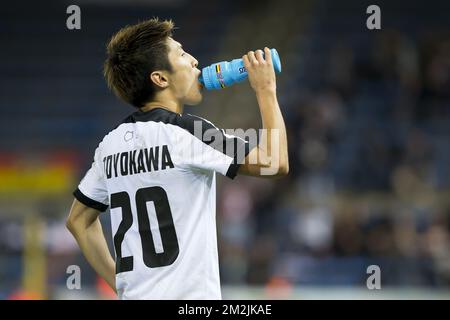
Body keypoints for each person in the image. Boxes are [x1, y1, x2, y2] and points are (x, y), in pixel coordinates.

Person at [66, 18, 288, 300]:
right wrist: (266, 90)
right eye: (182, 54)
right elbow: (276, 162)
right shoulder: (190, 131)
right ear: (160, 78)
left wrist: (122, 288)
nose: (195, 61)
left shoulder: (109, 145)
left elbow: (78, 221)